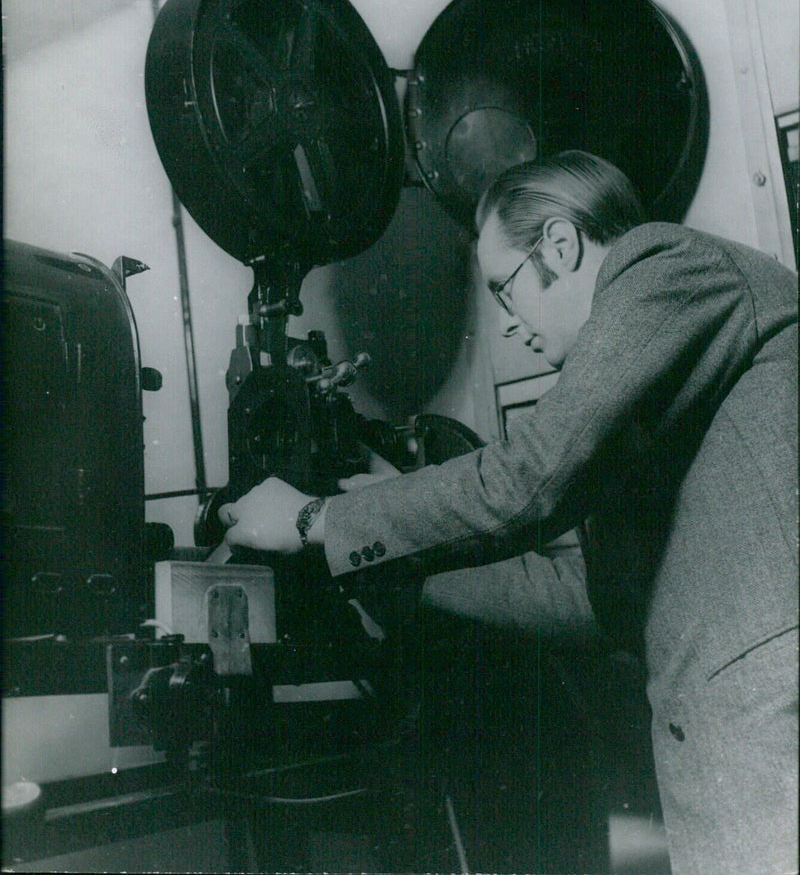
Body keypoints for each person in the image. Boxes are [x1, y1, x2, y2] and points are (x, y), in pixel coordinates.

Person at [220, 150, 799, 875]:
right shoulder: (660, 388)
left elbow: (527, 476)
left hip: (767, 741)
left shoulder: (665, 266)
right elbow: (587, 598)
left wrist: (315, 520)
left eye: (505, 290)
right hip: (730, 756)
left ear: (560, 243)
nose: (510, 326)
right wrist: (382, 554)